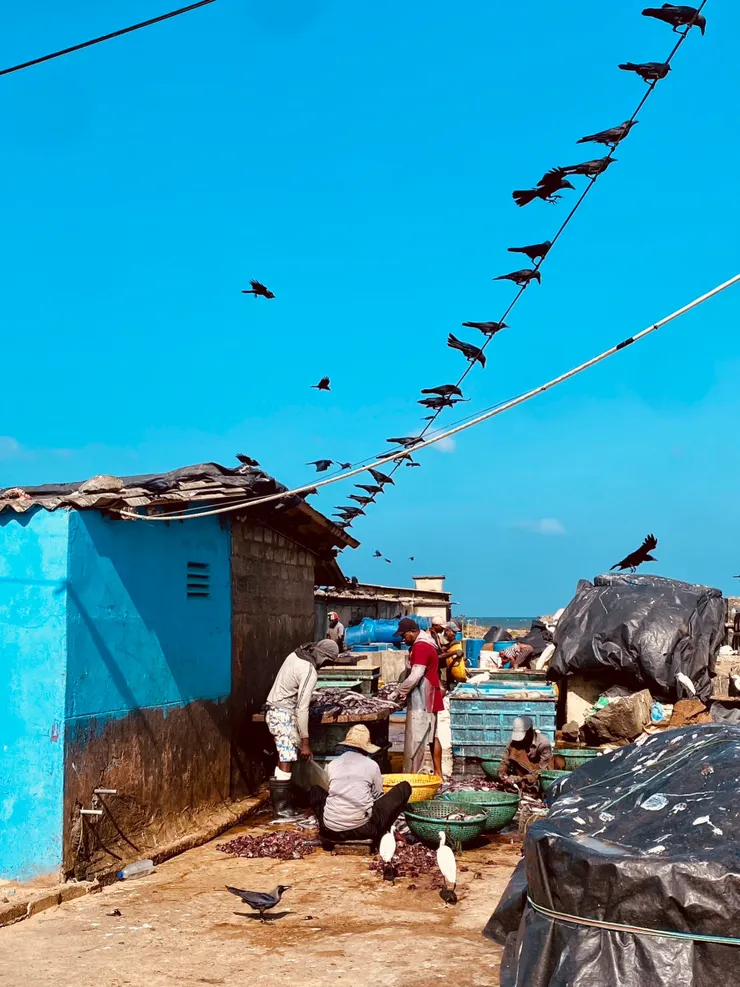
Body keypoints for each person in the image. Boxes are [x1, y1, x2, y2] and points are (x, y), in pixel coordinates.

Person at [265, 639, 339, 818]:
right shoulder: (308, 670)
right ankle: (281, 809)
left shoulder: (295, 655)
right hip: (282, 713)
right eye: (328, 662)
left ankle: (284, 804)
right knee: (287, 757)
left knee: (284, 755)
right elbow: (302, 708)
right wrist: (306, 742)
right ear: (324, 657)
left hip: (275, 709)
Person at [309, 725, 412, 847]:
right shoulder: (372, 765)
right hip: (363, 830)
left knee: (315, 791)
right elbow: (378, 795)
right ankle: (383, 833)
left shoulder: (333, 764)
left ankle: (328, 828)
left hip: (330, 830)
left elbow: (329, 789)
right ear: (366, 749)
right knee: (404, 787)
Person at [396, 617, 445, 777]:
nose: (403, 639)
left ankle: (414, 775)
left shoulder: (421, 647)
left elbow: (416, 675)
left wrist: (400, 691)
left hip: (424, 698)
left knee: (418, 738)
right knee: (432, 736)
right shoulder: (427, 643)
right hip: (431, 695)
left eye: (404, 635)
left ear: (413, 631)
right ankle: (438, 773)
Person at [497, 716, 553, 790]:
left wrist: (522, 778)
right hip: (520, 773)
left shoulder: (543, 744)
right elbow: (505, 762)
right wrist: (502, 771)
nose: (520, 740)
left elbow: (543, 771)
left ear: (530, 731)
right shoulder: (513, 743)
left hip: (536, 775)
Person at [440, 620, 466, 684]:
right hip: (442, 677)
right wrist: (454, 652)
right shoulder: (440, 641)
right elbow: (440, 655)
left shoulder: (453, 642)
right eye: (453, 632)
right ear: (447, 631)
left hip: (451, 676)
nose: (455, 634)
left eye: (456, 633)